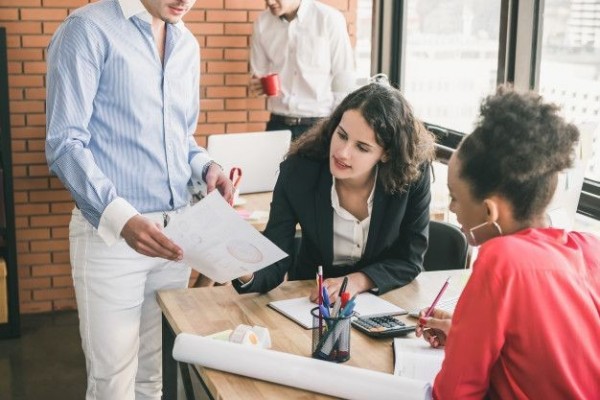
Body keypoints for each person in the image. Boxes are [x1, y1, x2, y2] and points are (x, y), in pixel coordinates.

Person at [45, 0, 233, 398]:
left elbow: (179, 138)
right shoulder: (87, 30)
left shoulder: (187, 45)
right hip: (111, 239)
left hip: (174, 237)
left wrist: (206, 168)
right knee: (112, 383)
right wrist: (122, 219)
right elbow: (65, 145)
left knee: (157, 376)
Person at [416, 87, 600, 399]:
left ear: (490, 211)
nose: (452, 210)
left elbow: (454, 393)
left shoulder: (502, 258)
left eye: (456, 198)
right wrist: (464, 334)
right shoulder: (590, 248)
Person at [234, 82, 436, 301]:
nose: (342, 152)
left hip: (383, 297)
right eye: (342, 135)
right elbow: (275, 258)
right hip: (311, 298)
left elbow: (409, 260)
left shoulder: (413, 175)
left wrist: (358, 281)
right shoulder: (298, 172)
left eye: (362, 147)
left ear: (386, 154)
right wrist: (244, 270)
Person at [249, 0, 356, 140]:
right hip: (277, 123)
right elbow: (259, 72)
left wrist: (336, 125)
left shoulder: (328, 18)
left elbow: (343, 76)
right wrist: (258, 86)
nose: (269, 2)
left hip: (318, 124)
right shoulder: (262, 23)